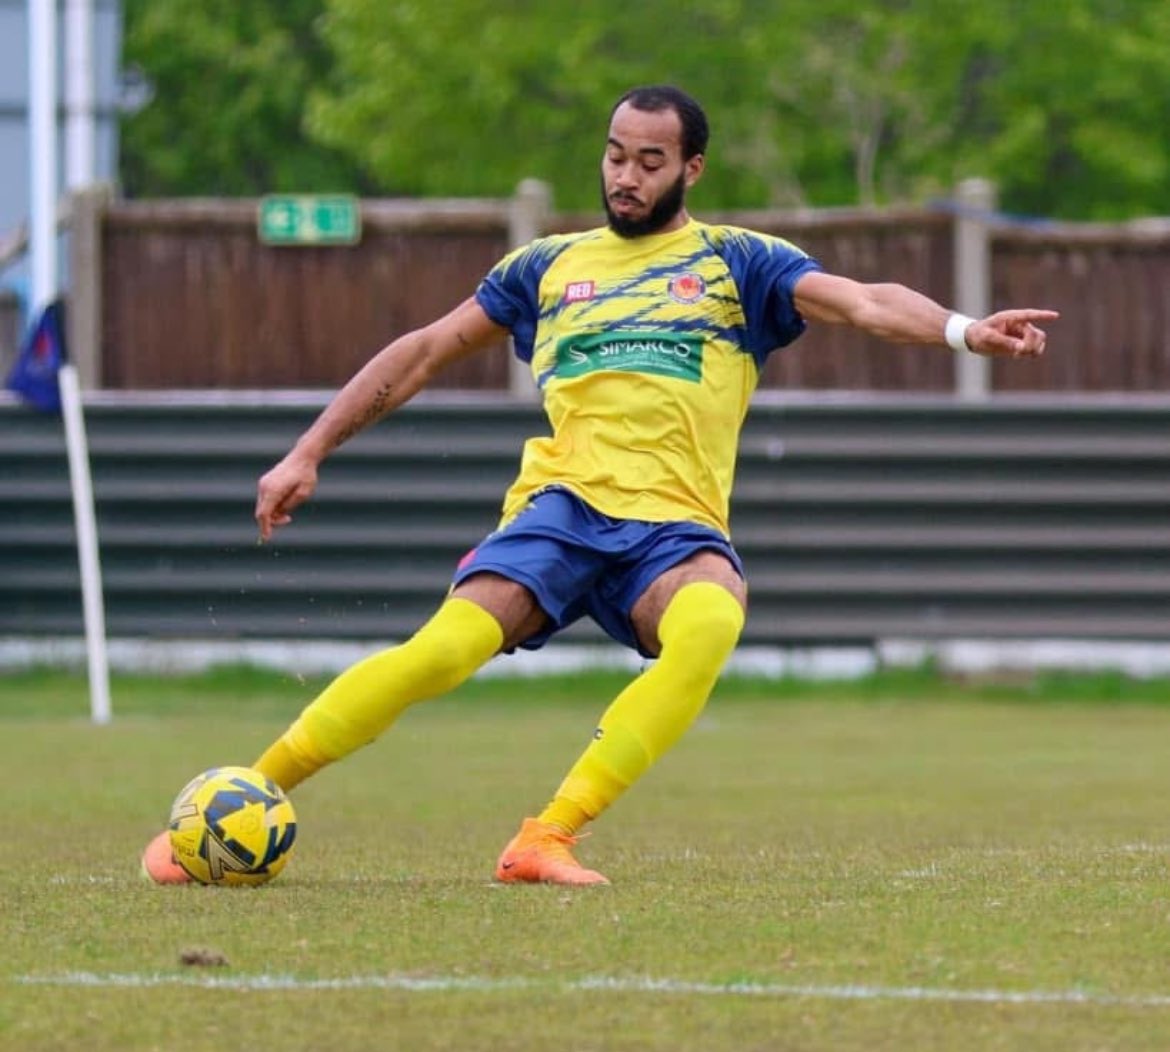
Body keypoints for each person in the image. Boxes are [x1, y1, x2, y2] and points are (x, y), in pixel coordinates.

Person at [142, 84, 1057, 887]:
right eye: (616, 156)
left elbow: (864, 300)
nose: (625, 176)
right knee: (439, 653)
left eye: (650, 162)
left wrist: (963, 331)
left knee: (711, 622)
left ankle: (545, 836)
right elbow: (421, 352)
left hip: (672, 528)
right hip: (561, 511)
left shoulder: (741, 262)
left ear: (691, 169)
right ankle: (235, 804)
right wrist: (308, 451)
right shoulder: (546, 266)